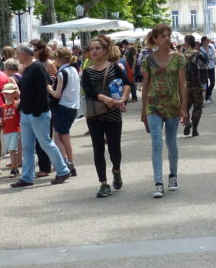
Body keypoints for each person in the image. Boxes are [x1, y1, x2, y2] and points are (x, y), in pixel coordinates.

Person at [10, 43, 71, 188]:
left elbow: (42, 91)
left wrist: (37, 110)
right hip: (28, 112)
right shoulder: (29, 68)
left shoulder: (37, 68)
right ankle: (27, 176)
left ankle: (63, 170)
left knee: (45, 143)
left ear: (24, 54)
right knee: (27, 147)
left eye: (18, 53)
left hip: (37, 113)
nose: (17, 56)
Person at [140, 24, 188, 198]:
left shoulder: (179, 58)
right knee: (156, 143)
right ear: (155, 39)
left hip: (172, 105)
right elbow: (145, 86)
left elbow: (183, 83)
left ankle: (173, 175)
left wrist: (184, 107)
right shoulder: (147, 60)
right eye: (163, 36)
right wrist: (143, 110)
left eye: (168, 35)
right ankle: (158, 182)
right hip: (153, 105)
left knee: (171, 142)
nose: (167, 38)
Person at [81, 35, 130, 198]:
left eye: (97, 48)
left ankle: (116, 169)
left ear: (105, 50)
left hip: (113, 112)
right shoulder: (87, 72)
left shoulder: (114, 67)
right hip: (95, 113)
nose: (94, 51)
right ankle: (103, 183)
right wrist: (105, 98)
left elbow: (127, 82)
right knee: (98, 148)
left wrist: (122, 99)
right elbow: (89, 91)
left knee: (114, 148)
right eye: (91, 49)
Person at [47, 47, 80, 168]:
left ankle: (68, 162)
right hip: (73, 106)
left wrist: (48, 87)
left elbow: (57, 94)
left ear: (59, 59)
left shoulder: (61, 73)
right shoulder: (73, 69)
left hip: (63, 106)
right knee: (61, 136)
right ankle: (67, 161)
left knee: (61, 138)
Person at [182, 35, 207, 137]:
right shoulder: (199, 54)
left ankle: (187, 122)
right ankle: (195, 129)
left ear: (186, 43)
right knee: (197, 108)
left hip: (185, 85)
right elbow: (205, 68)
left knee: (185, 106)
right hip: (197, 85)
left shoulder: (182, 56)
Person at [0, 82, 21, 176]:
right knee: (11, 150)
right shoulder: (3, 106)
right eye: (6, 93)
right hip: (6, 130)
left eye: (9, 93)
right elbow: (2, 117)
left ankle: (13, 169)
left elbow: (21, 116)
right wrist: (0, 121)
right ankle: (15, 168)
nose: (7, 95)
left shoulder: (17, 104)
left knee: (12, 150)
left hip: (16, 130)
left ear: (14, 93)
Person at [201, 36, 216, 102]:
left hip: (211, 66)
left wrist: (212, 58)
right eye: (207, 40)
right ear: (203, 41)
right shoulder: (201, 48)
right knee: (206, 82)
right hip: (204, 67)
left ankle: (207, 94)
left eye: (208, 40)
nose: (208, 41)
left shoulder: (211, 47)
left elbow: (214, 55)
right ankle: (207, 96)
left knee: (213, 82)